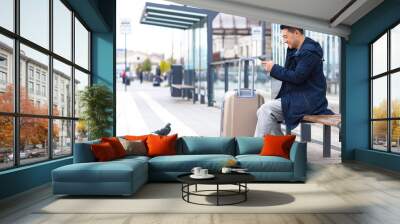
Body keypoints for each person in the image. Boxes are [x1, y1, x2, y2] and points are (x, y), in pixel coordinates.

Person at [254, 25, 333, 137]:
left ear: (296, 33)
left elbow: (297, 77)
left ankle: (258, 147)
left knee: (266, 110)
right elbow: (292, 74)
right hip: (302, 97)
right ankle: (280, 145)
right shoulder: (298, 50)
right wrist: (275, 67)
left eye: (286, 37)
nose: (284, 41)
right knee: (263, 112)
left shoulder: (308, 52)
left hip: (309, 101)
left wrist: (274, 68)